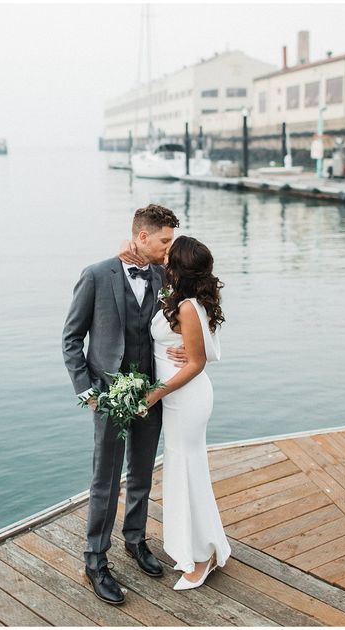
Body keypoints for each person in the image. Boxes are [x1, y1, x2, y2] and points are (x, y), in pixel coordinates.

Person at [62, 204, 185, 605]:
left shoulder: (165, 273)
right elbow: (71, 339)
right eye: (164, 241)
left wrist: (187, 349)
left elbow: (184, 311)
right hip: (108, 396)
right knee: (104, 480)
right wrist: (89, 392)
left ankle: (135, 540)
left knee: (143, 474)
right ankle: (95, 560)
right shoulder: (96, 274)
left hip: (151, 393)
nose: (170, 249)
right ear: (143, 237)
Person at [143, 235, 232, 590]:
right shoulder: (184, 301)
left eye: (170, 257)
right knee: (183, 470)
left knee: (188, 471)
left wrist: (153, 395)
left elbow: (195, 363)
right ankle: (199, 546)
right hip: (180, 397)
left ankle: (202, 555)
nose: (164, 260)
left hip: (187, 397)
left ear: (178, 268)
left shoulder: (187, 307)